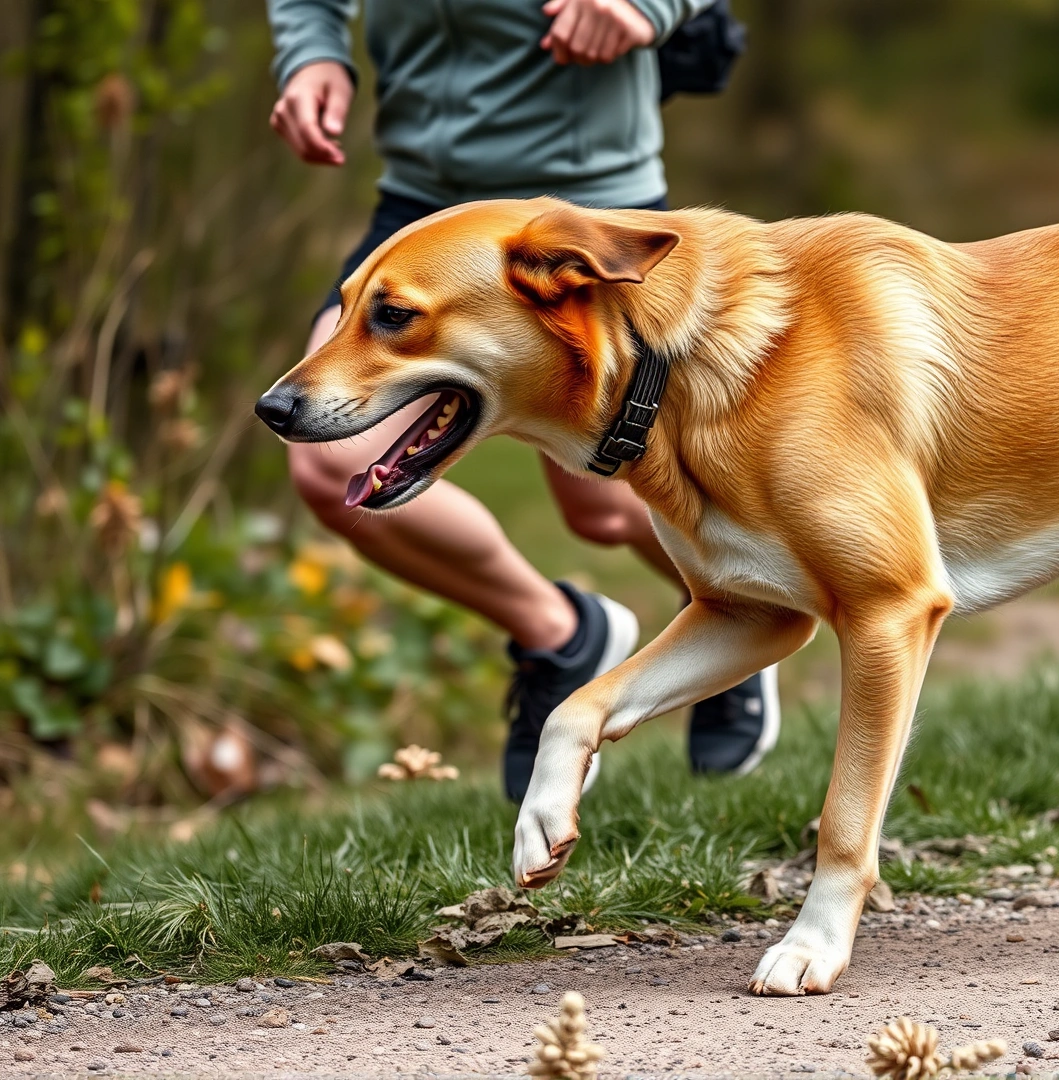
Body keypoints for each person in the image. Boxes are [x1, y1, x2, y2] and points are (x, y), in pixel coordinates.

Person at [265, 0, 777, 799]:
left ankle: (730, 618)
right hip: (421, 209)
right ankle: (562, 635)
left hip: (580, 205)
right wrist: (312, 51)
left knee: (603, 510)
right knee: (331, 465)